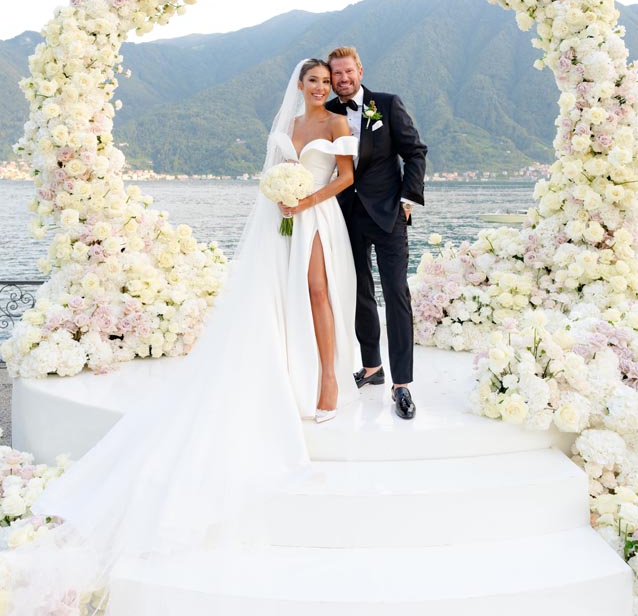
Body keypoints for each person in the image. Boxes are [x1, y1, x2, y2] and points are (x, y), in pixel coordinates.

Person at [5, 59, 359, 614]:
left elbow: (345, 179)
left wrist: (305, 200)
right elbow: (270, 173)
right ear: (299, 85)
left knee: (318, 295)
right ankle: (287, 373)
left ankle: (329, 382)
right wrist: (278, 199)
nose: (318, 87)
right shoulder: (286, 129)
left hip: (317, 216)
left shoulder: (337, 124)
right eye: (311, 81)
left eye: (323, 81)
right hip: (278, 220)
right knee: (273, 299)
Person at [325, 46, 427, 419]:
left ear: (360, 70)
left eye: (348, 72)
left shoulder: (386, 104)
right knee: (358, 292)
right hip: (345, 216)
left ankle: (402, 383)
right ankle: (372, 368)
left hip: (389, 215)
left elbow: (415, 152)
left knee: (397, 293)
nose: (343, 79)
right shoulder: (328, 113)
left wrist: (407, 198)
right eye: (336, 74)